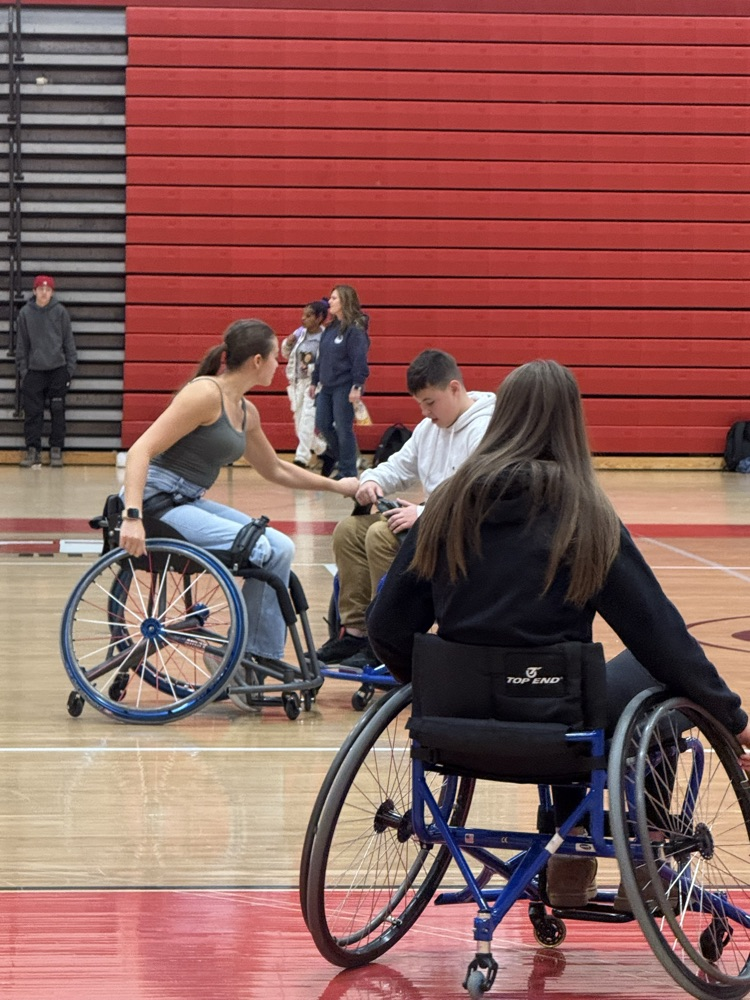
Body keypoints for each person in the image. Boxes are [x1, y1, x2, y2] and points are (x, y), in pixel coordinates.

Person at [367, 359, 750, 909]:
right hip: (557, 723)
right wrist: (731, 717)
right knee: (643, 670)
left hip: (453, 725)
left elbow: (385, 626)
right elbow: (658, 632)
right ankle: (641, 855)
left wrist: (430, 684)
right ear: (571, 423)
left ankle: (568, 863)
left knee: (562, 686)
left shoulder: (445, 505)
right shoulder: (583, 513)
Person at [118, 318, 359, 663]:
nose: (278, 365)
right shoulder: (205, 394)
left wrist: (339, 486)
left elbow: (275, 469)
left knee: (281, 547)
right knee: (258, 547)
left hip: (186, 500)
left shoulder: (247, 412)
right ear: (257, 361)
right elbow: (140, 450)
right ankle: (240, 654)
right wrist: (132, 516)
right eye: (275, 357)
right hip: (155, 501)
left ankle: (254, 656)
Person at [314, 348, 495, 668]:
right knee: (349, 532)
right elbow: (398, 467)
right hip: (431, 518)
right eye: (420, 404)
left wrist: (423, 515)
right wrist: (372, 480)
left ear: (454, 388)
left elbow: (477, 500)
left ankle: (387, 637)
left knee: (381, 536)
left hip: (462, 530)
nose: (425, 412)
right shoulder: (429, 429)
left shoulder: (484, 430)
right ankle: (356, 633)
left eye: (430, 402)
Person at [16, 274, 77, 468]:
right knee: (33, 413)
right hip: (34, 372)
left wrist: (68, 370)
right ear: (34, 291)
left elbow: (69, 343)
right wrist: (24, 371)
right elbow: (22, 346)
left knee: (58, 411)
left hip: (58, 370)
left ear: (52, 292)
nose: (44, 292)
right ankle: (33, 450)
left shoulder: (60, 312)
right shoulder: (25, 313)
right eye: (41, 289)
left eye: (48, 289)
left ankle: (56, 449)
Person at [309, 284, 370, 479]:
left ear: (345, 301)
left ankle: (348, 471)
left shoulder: (355, 330)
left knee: (344, 428)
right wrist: (314, 381)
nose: (330, 302)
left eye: (334, 298)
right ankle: (343, 459)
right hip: (326, 386)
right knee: (322, 424)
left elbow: (359, 359)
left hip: (345, 386)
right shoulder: (330, 328)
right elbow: (321, 357)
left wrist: (357, 385)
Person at [280, 299, 329, 470]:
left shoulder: (325, 338)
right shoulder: (299, 333)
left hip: (315, 384)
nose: (303, 318)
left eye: (308, 316)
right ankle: (323, 449)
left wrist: (310, 368)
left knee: (307, 420)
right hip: (297, 384)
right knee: (299, 426)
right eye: (303, 315)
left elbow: (327, 363)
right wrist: (288, 343)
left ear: (319, 318)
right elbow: (286, 354)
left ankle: (301, 458)